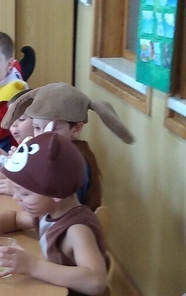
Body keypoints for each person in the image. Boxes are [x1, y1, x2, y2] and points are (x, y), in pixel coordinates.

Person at [0, 132, 108, 296]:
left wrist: (32, 266)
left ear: (56, 193)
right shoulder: (48, 211)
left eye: (24, 193)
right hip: (46, 294)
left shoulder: (77, 230)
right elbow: (15, 219)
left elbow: (96, 281)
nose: (16, 197)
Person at [26, 83, 134, 211]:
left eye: (53, 129)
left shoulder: (72, 163)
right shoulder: (49, 155)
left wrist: (19, 188)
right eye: (37, 128)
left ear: (76, 129)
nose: (42, 136)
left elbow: (53, 205)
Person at [0, 88, 38, 169]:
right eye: (10, 119)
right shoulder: (24, 144)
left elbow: (28, 170)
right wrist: (7, 157)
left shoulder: (41, 147)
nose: (13, 124)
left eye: (21, 119)